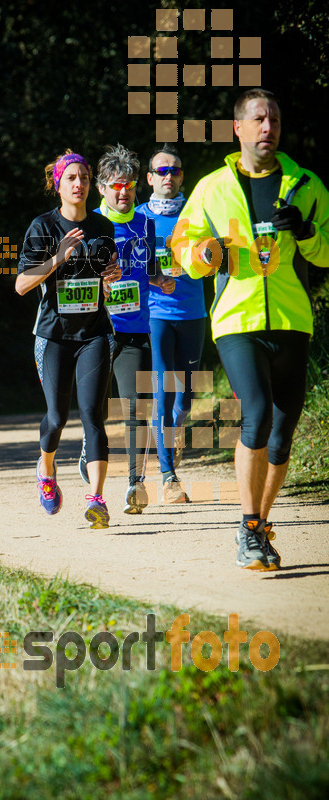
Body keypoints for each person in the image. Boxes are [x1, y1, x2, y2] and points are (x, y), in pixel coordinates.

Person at [174, 88, 329, 569]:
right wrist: (203, 254)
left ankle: (258, 526)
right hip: (236, 319)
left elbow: (327, 252)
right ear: (238, 128)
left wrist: (306, 232)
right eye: (259, 120)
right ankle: (247, 526)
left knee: (282, 432)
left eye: (276, 120)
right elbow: (183, 245)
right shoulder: (211, 187)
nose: (269, 128)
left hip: (291, 319)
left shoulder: (307, 185)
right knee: (257, 413)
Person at [15, 150, 121, 529]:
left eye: (85, 178)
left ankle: (96, 499)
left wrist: (112, 274)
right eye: (71, 178)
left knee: (94, 415)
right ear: (58, 184)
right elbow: (22, 285)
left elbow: (107, 278)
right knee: (57, 418)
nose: (79, 184)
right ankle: (46, 468)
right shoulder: (42, 227)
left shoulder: (102, 227)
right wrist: (57, 258)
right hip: (54, 336)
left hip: (94, 333)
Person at [87, 144, 175, 514]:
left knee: (137, 407)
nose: (124, 192)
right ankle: (90, 453)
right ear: (102, 189)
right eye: (116, 185)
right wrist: (98, 285)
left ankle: (134, 485)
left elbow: (148, 269)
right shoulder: (89, 224)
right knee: (95, 411)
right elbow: (68, 282)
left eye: (129, 185)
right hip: (93, 331)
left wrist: (162, 280)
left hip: (135, 329)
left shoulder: (146, 223)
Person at [136, 145, 206, 503]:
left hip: (194, 312)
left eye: (175, 171)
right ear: (149, 178)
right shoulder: (136, 217)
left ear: (182, 177)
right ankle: (168, 477)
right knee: (162, 392)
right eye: (161, 171)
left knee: (186, 397)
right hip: (156, 314)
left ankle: (175, 430)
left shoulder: (199, 213)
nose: (168, 176)